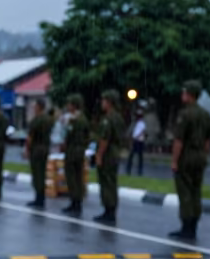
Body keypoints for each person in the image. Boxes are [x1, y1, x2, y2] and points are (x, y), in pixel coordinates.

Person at [169, 80, 210, 240]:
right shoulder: (206, 114)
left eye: (184, 92)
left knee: (185, 192)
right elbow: (208, 140)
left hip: (187, 155)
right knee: (196, 191)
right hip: (200, 155)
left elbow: (179, 140)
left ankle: (186, 226)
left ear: (189, 94)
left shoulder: (185, 114)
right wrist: (203, 155)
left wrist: (175, 160)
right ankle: (194, 225)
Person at [95, 90, 125, 224]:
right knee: (112, 182)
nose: (102, 103)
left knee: (106, 182)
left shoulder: (108, 119)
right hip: (115, 152)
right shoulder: (119, 117)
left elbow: (104, 139)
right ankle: (111, 210)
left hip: (108, 153)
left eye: (104, 101)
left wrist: (99, 155)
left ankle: (109, 211)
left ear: (109, 102)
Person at [62, 95, 90, 216]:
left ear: (74, 105)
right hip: (79, 150)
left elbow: (69, 134)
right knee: (78, 177)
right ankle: (76, 201)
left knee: (72, 177)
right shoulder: (83, 118)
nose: (68, 107)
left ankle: (75, 202)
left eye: (69, 104)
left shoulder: (75, 120)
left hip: (73, 151)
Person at [25, 98, 54, 208]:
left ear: (39, 107)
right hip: (45, 147)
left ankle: (39, 198)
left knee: (37, 174)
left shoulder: (36, 120)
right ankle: (41, 197)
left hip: (36, 148)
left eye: (35, 106)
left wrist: (27, 150)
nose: (33, 108)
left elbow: (30, 137)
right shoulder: (48, 120)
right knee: (42, 173)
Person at [127, 109, 147, 175]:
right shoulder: (135, 123)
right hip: (135, 140)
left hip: (139, 141)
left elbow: (142, 132)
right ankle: (128, 169)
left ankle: (139, 170)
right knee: (131, 155)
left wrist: (136, 137)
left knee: (139, 156)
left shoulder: (142, 123)